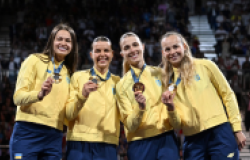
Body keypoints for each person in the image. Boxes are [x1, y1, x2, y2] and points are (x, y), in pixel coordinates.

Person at [160, 31, 246, 160]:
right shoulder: (167, 82)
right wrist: (171, 108)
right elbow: (177, 125)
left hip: (219, 132)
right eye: (168, 49)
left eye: (176, 46)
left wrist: (237, 129)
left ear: (184, 46)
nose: (172, 52)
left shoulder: (205, 65)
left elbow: (228, 95)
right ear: (163, 53)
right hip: (193, 140)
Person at [9, 23, 78, 160]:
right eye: (59, 39)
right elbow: (17, 97)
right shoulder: (34, 60)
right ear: (52, 41)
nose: (63, 43)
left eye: (68, 40)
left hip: (54, 135)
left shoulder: (70, 74)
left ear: (73, 46)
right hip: (28, 131)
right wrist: (39, 94)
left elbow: (68, 110)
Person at [116, 32, 179, 160]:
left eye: (135, 45)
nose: (132, 50)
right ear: (122, 54)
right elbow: (130, 125)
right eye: (127, 48)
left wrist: (171, 107)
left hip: (166, 139)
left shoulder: (160, 74)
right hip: (140, 144)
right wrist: (140, 108)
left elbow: (176, 116)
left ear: (142, 47)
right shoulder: (121, 85)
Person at [65, 36, 120, 160]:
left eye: (106, 51)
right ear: (91, 54)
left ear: (112, 54)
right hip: (79, 143)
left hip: (108, 144)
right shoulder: (77, 77)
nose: (102, 54)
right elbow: (68, 114)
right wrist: (82, 95)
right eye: (97, 51)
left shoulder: (119, 83)